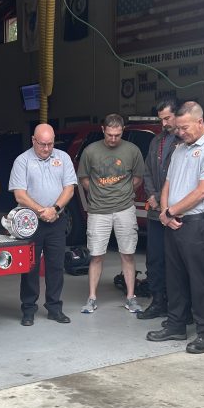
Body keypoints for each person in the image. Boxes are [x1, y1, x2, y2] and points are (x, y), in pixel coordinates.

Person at [146, 102, 204, 354]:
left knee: (199, 280)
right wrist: (165, 213)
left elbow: (202, 191)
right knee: (174, 278)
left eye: (184, 127)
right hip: (173, 221)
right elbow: (167, 183)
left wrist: (171, 211)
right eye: (177, 128)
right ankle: (176, 324)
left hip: (196, 224)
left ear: (200, 122)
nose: (179, 132)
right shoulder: (179, 149)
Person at [9, 123, 76, 326]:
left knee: (56, 265)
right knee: (30, 266)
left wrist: (54, 209)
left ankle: (55, 308)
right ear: (33, 141)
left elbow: (69, 189)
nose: (47, 149)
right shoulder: (22, 161)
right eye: (42, 144)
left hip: (56, 220)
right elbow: (20, 194)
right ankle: (28, 309)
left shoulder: (63, 158)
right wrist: (41, 211)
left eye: (50, 144)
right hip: (31, 221)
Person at [77, 113, 144, 314]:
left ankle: (131, 297)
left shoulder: (132, 150)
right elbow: (84, 178)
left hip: (125, 208)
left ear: (122, 130)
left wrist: (122, 192)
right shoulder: (90, 151)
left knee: (128, 254)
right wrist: (99, 193)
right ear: (103, 130)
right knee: (96, 255)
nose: (113, 139)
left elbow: (138, 178)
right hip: (98, 211)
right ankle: (91, 298)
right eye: (110, 135)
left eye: (117, 134)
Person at [136, 98, 180, 321]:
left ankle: (177, 307)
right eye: (160, 119)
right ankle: (157, 301)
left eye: (167, 118)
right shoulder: (157, 142)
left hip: (175, 213)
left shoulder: (184, 141)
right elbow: (146, 172)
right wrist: (152, 196)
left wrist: (167, 204)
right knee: (154, 260)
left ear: (177, 114)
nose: (164, 123)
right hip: (155, 213)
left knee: (175, 263)